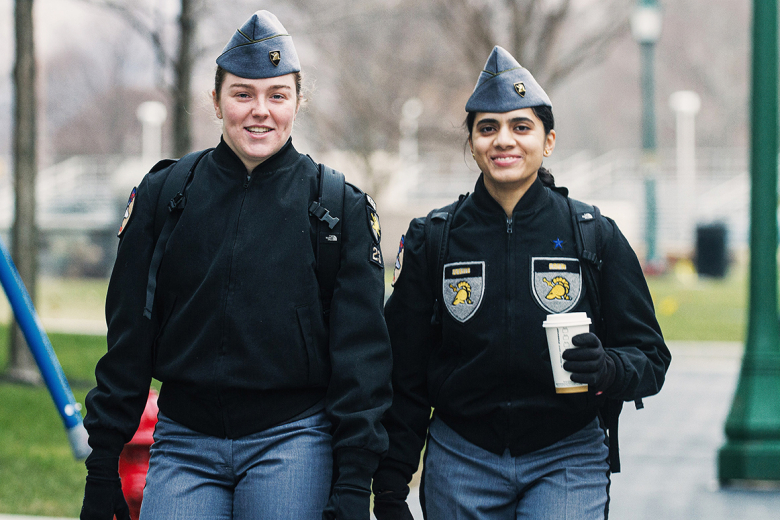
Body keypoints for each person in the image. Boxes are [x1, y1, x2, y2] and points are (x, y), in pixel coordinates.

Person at [80, 10, 392, 520]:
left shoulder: (339, 206)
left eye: (277, 95)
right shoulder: (165, 195)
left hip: (292, 442)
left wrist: (355, 480)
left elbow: (363, 358)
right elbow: (128, 340)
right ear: (216, 100)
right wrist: (102, 461)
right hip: (183, 443)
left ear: (298, 101)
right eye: (243, 94)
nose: (260, 111)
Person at [372, 46, 671, 520]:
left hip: (566, 455)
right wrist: (390, 485)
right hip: (462, 456)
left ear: (548, 141)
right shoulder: (434, 240)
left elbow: (651, 358)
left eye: (521, 127)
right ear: (471, 142)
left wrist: (608, 367)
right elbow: (403, 373)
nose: (503, 140)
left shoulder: (593, 234)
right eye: (488, 127)